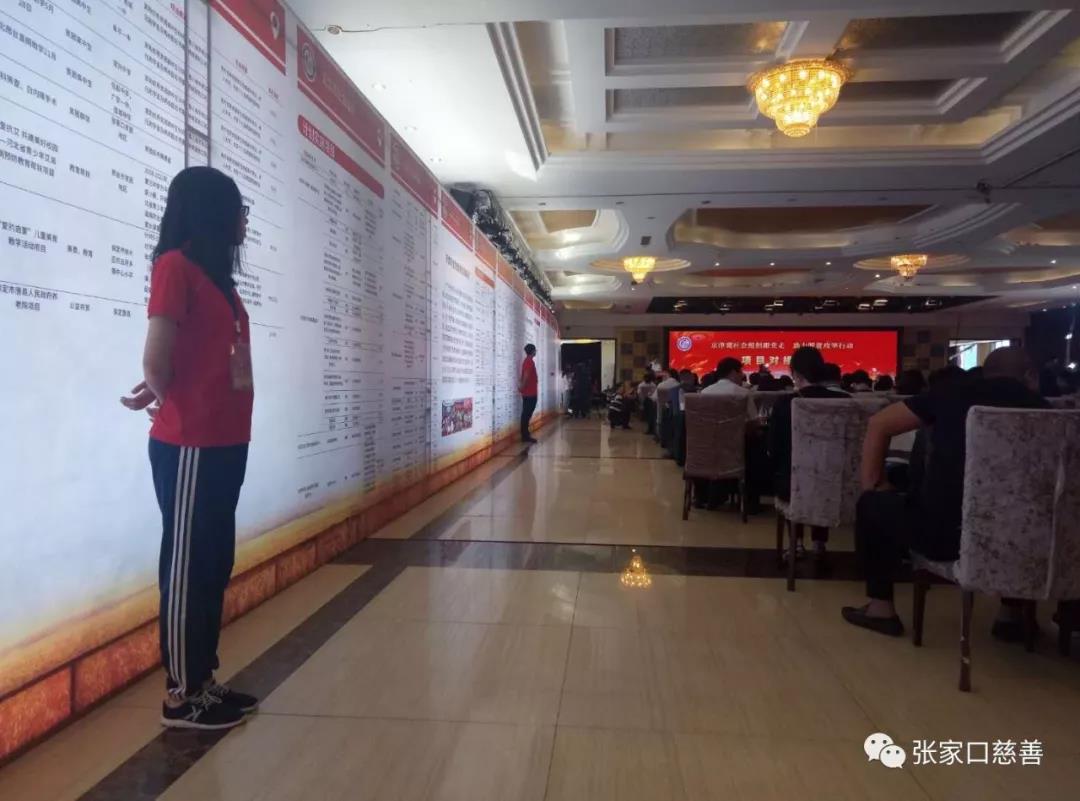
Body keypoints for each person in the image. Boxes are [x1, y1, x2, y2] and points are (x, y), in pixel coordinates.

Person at [119, 166, 257, 730]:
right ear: (211, 212)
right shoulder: (174, 267)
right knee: (187, 568)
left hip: (225, 442)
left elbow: (193, 356)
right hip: (192, 444)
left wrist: (168, 388)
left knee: (214, 563)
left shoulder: (217, 280)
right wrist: (166, 396)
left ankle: (202, 678)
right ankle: (181, 695)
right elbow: (156, 360)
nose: (244, 221)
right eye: (239, 210)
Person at [841, 347, 1048, 638]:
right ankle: (1010, 615)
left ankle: (880, 609)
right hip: (1033, 541)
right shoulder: (1050, 411)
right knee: (1017, 510)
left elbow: (879, 423)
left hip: (947, 538)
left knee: (871, 505)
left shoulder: (953, 393)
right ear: (1030, 376)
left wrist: (875, 485)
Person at [768, 346, 849, 559]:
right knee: (823, 471)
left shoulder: (785, 403)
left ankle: (796, 543)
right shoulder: (845, 402)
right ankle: (819, 542)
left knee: (790, 472)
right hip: (836, 482)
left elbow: (774, 448)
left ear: (794, 372)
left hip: (793, 482)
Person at [519, 344, 539, 442]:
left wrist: (522, 387)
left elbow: (524, 376)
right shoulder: (529, 361)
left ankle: (525, 434)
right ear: (532, 351)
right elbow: (526, 376)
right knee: (526, 414)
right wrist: (522, 387)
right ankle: (525, 435)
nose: (536, 351)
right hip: (530, 394)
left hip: (529, 393)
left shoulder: (527, 361)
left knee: (526, 414)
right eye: (535, 350)